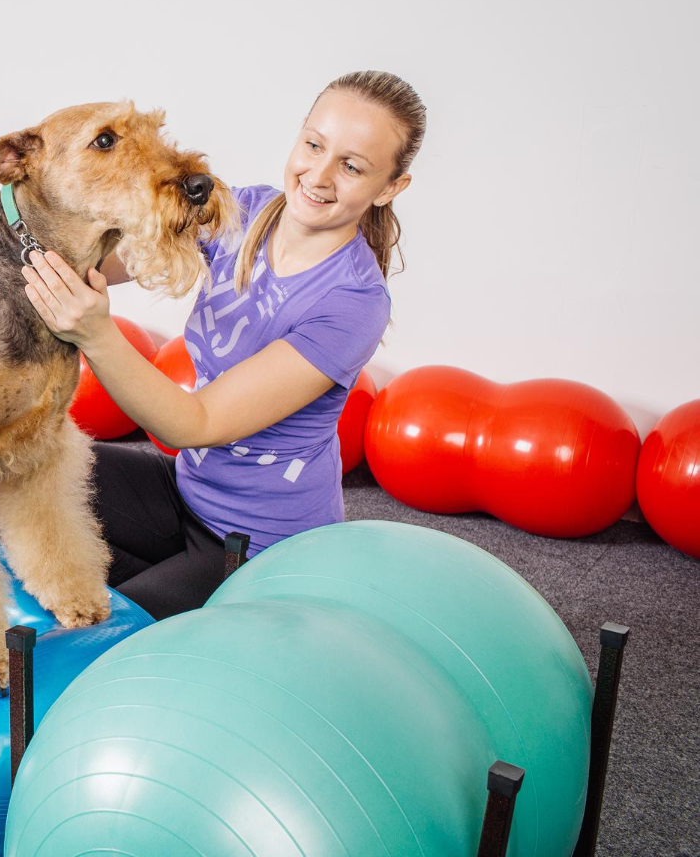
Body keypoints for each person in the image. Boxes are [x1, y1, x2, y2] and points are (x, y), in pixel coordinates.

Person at [21, 70, 426, 619]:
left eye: (352, 166)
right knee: (18, 474)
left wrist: (94, 332)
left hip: (258, 548)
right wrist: (42, 209)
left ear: (389, 188)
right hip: (186, 491)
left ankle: (201, 609)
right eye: (313, 145)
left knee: (100, 643)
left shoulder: (354, 301)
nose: (319, 175)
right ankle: (158, 588)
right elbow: (115, 260)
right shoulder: (246, 209)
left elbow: (195, 424)